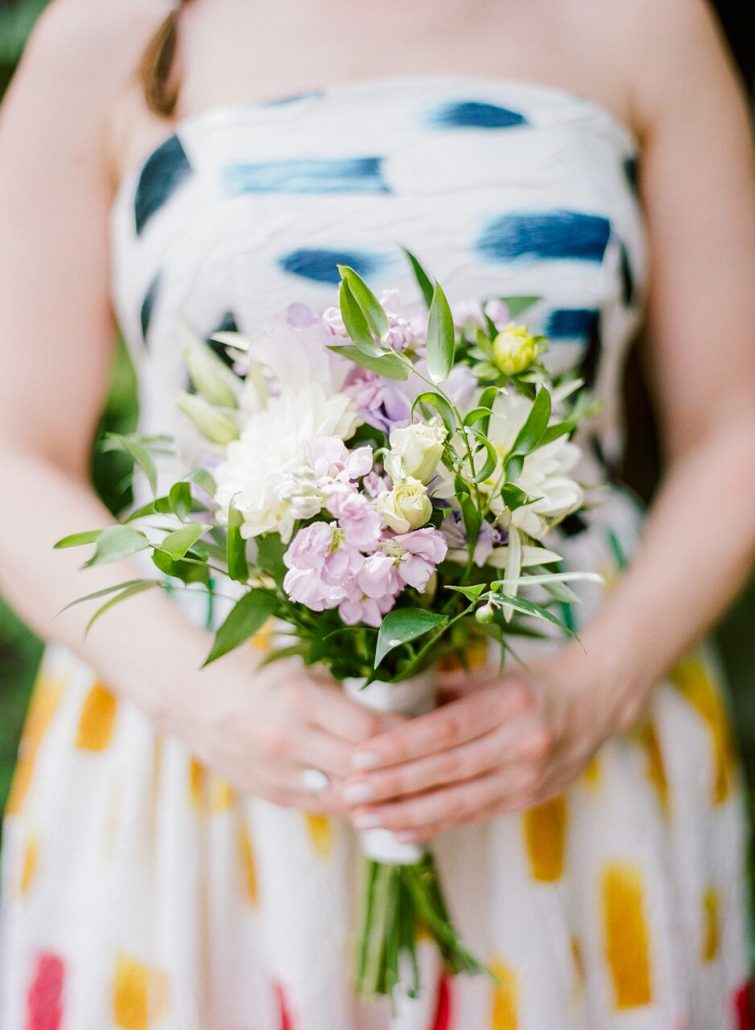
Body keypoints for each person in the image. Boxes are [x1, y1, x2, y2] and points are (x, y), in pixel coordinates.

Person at [0, 0, 753, 1026]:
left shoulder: (643, 22)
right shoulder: (108, 29)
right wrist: (207, 702)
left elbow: (732, 429)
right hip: (205, 752)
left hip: (566, 744)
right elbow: (14, 453)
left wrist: (591, 692)